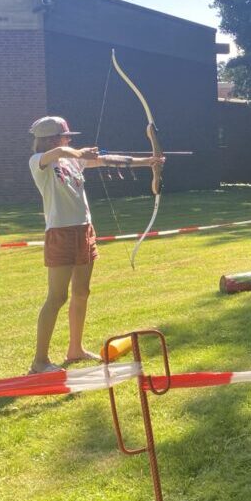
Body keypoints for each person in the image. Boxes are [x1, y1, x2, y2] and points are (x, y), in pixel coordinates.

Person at [28, 115, 164, 374]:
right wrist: (77, 151)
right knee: (57, 297)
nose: (69, 139)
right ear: (52, 138)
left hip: (84, 229)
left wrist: (149, 162)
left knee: (82, 291)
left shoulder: (72, 160)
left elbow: (108, 160)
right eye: (66, 136)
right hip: (61, 232)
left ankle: (75, 349)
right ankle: (39, 361)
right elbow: (58, 152)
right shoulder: (39, 162)